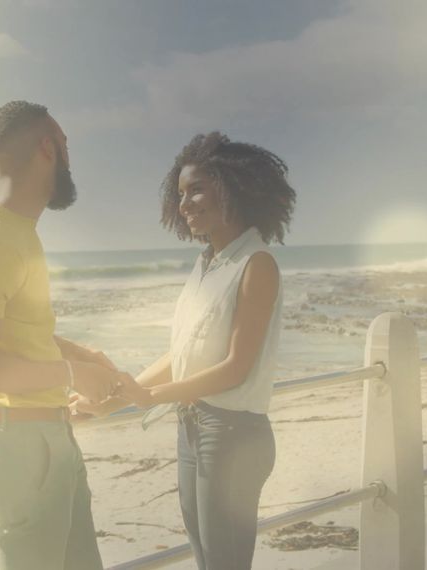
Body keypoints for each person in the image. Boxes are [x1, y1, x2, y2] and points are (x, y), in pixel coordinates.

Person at [76, 132, 296, 570]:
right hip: (193, 429)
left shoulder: (257, 263)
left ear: (233, 188)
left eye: (196, 189)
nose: (184, 203)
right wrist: (113, 402)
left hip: (232, 434)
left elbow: (235, 368)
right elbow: (181, 355)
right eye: (179, 193)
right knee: (207, 560)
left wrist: (150, 398)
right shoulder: (206, 265)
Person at [0, 100, 128, 570]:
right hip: (20, 447)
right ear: (47, 149)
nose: (70, 157)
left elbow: (16, 332)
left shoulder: (14, 230)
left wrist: (78, 354)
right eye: (66, 145)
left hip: (47, 438)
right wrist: (72, 373)